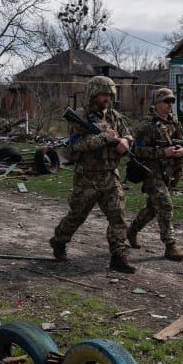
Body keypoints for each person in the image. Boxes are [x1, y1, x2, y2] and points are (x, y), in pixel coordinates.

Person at [49, 76, 137, 273]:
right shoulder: (80, 116)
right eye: (103, 94)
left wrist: (125, 141)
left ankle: (118, 255)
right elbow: (76, 145)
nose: (107, 97)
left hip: (109, 175)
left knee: (118, 216)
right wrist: (103, 138)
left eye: (109, 94)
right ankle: (58, 241)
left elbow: (129, 134)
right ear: (93, 94)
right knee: (76, 216)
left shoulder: (115, 116)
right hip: (87, 177)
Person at [127, 87, 183, 261]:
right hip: (151, 173)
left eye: (172, 101)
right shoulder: (146, 125)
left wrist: (182, 151)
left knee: (152, 209)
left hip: (169, 173)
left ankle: (132, 231)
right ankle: (170, 246)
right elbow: (136, 151)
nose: (170, 105)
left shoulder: (174, 123)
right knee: (165, 205)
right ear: (156, 103)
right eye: (166, 101)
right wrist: (163, 152)